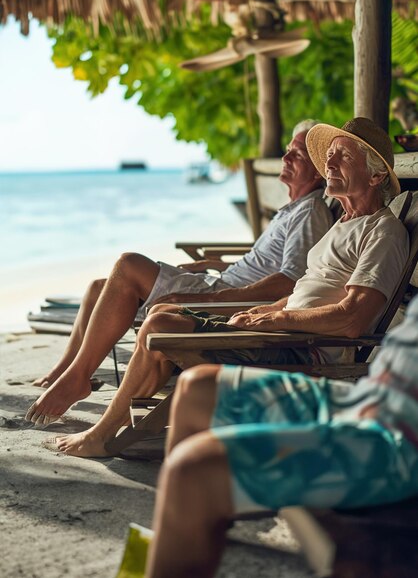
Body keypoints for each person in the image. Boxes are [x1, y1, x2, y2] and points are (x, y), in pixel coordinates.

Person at [38, 117, 409, 458]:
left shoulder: (383, 232)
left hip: (300, 352)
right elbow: (306, 290)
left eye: (342, 156)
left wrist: (276, 319)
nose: (328, 164)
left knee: (159, 327)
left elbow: (352, 320)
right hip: (283, 334)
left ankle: (104, 432)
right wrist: (268, 310)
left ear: (375, 176)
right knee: (164, 314)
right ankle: (120, 421)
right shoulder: (344, 224)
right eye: (329, 155)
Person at [26, 120, 332, 425]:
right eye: (288, 151)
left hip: (225, 299)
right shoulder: (293, 209)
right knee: (98, 287)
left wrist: (217, 292)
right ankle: (66, 371)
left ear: (317, 171)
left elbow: (288, 281)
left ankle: (77, 376)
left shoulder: (309, 213)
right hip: (220, 284)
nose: (286, 158)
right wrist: (215, 265)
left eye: (298, 156)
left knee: (128, 264)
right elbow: (265, 264)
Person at [141, 293, 418, 578]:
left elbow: (351, 318)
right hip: (370, 397)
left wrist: (276, 318)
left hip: (400, 438)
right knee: (197, 386)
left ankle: (199, 507)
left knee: (193, 468)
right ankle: (192, 528)